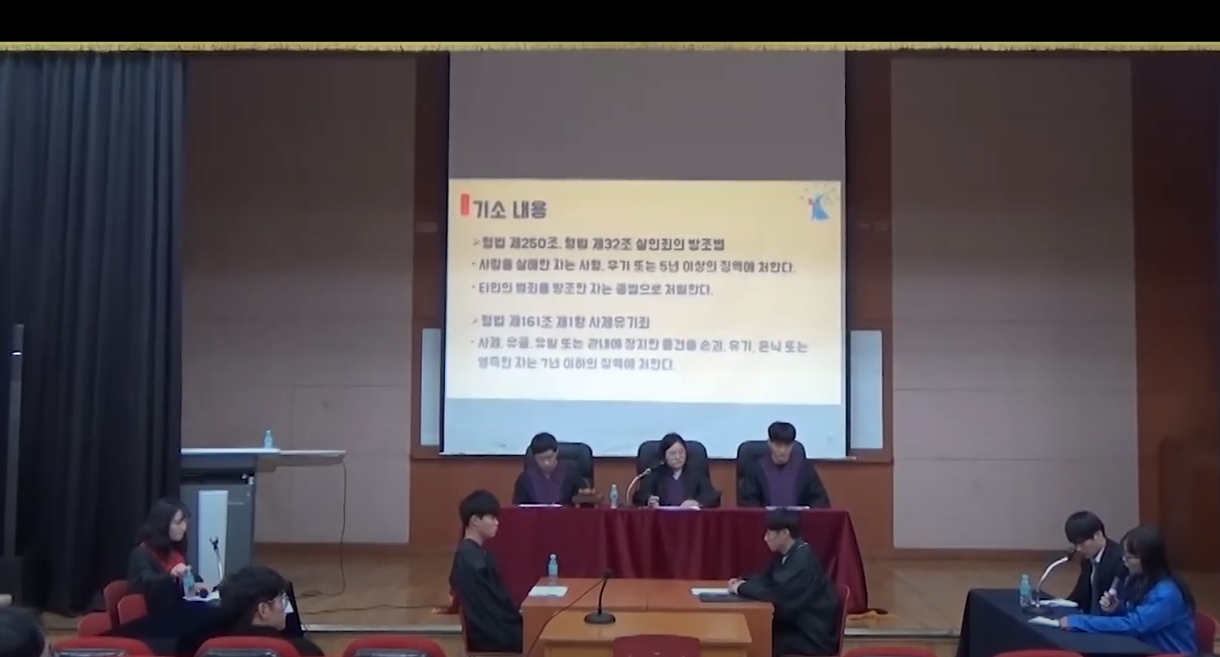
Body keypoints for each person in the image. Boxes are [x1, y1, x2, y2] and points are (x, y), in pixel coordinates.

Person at [1059, 525, 1197, 654]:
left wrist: (1081, 622)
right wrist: (1117, 609)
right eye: (1124, 554)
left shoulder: (1167, 593)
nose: (1124, 560)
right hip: (1139, 649)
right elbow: (1138, 616)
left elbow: (1134, 625)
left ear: (1149, 559)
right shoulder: (1139, 579)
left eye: (1130, 557)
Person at [729, 510, 839, 656]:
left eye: (769, 533)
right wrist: (743, 581)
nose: (765, 538)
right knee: (757, 636)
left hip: (809, 636)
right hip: (794, 628)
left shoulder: (802, 560)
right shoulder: (786, 555)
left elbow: (778, 597)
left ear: (784, 533)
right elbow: (766, 579)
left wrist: (741, 588)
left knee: (758, 641)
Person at [449, 490, 523, 653]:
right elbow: (490, 610)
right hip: (493, 636)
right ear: (475, 520)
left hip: (494, 630)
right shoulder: (471, 561)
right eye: (492, 518)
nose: (497, 523)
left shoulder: (475, 554)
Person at [217, 565, 323, 656]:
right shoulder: (303, 650)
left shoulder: (211, 649)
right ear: (263, 610)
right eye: (281, 600)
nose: (287, 609)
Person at [128, 498, 209, 609]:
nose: (184, 527)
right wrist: (170, 576)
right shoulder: (141, 553)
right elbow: (144, 586)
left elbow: (189, 577)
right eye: (178, 522)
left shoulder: (174, 549)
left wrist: (198, 584)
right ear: (163, 524)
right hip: (156, 613)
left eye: (185, 521)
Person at [738, 422, 831, 508]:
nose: (782, 451)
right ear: (769, 443)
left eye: (787, 445)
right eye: (778, 445)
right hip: (765, 521)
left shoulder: (805, 469)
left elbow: (819, 501)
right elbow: (749, 504)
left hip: (798, 521)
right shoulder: (755, 469)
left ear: (792, 445)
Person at [631, 433, 721, 508]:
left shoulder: (696, 473)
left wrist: (697, 503)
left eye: (681, 452)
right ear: (664, 456)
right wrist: (649, 500)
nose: (678, 457)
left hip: (691, 519)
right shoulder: (655, 473)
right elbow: (639, 496)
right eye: (672, 453)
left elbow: (712, 497)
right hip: (660, 519)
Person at [1063, 510, 1127, 613]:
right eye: (1075, 544)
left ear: (1097, 535)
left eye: (1082, 543)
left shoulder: (1119, 560)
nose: (1078, 549)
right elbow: (1080, 595)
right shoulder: (1087, 560)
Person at [511, 432, 584, 505]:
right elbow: (518, 507)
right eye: (541, 459)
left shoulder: (570, 471)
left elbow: (584, 498)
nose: (546, 463)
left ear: (556, 452)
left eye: (549, 457)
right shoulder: (525, 478)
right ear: (534, 457)